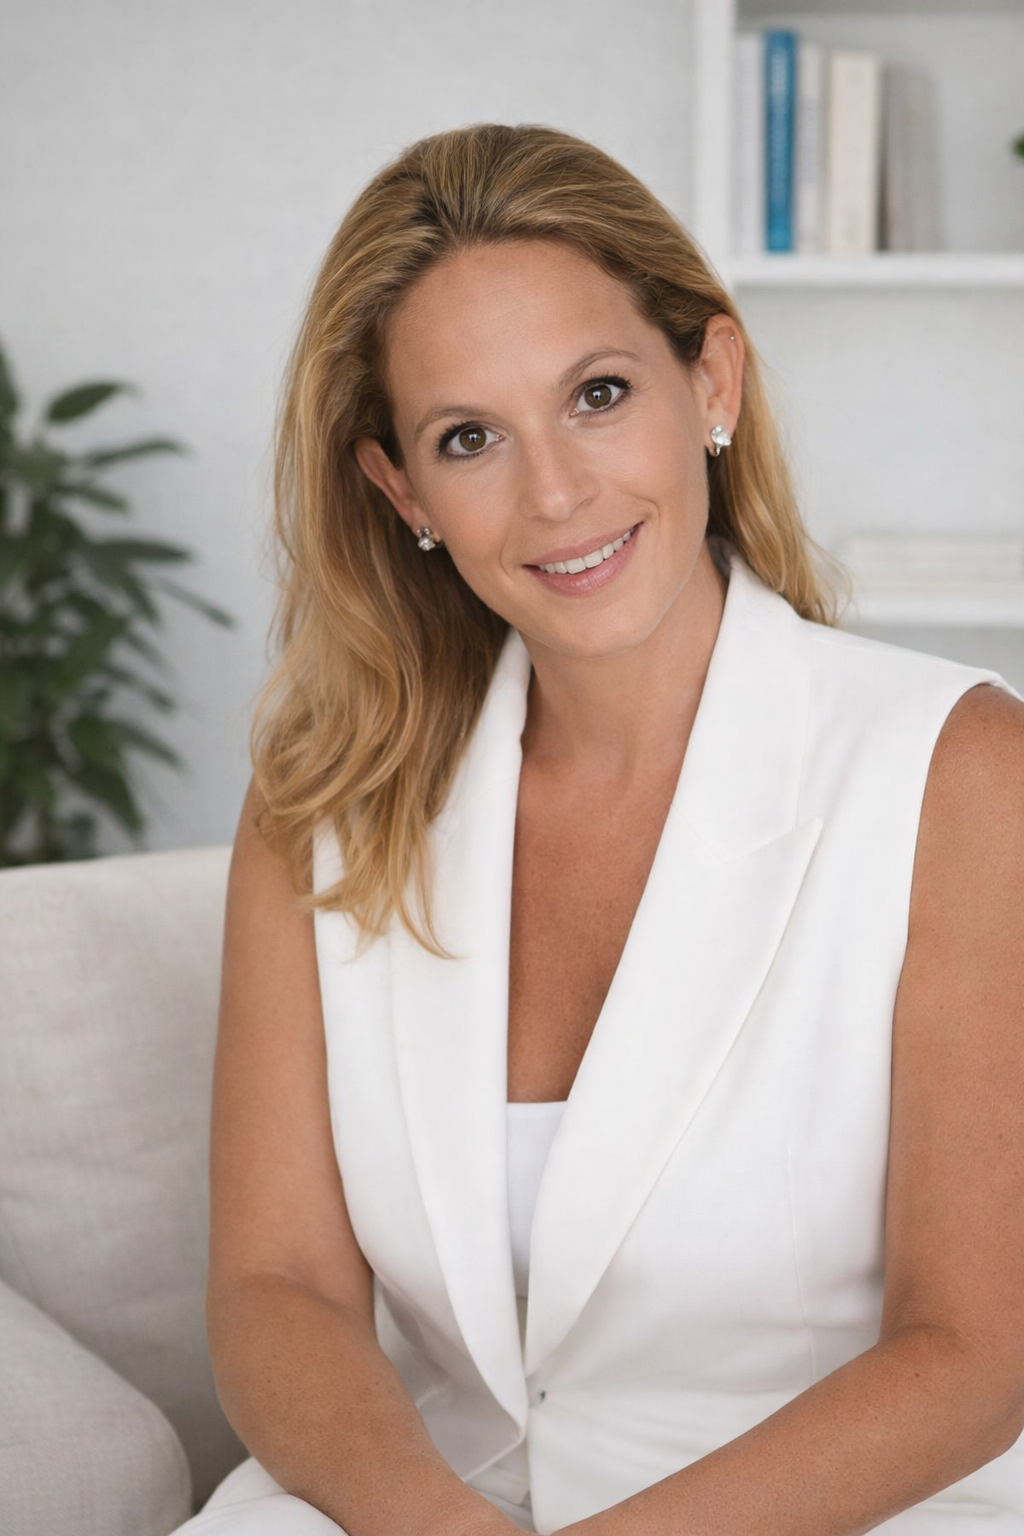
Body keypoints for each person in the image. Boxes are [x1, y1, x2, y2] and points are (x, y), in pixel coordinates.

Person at [170, 124, 1024, 1536]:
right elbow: (282, 1288)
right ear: (402, 492)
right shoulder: (324, 800)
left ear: (713, 381)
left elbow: (976, 1352)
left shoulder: (960, 772)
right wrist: (430, 1523)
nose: (555, 493)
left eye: (599, 394)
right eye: (469, 438)